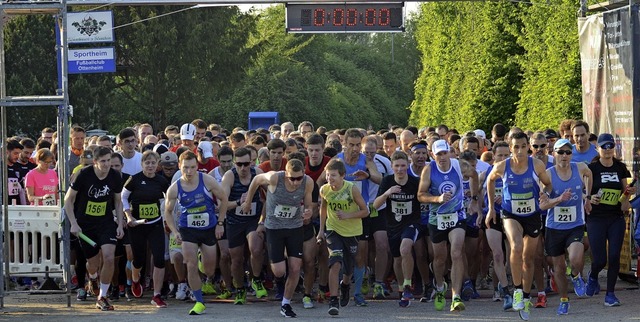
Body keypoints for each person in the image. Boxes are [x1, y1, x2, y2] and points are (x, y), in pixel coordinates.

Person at [486, 132, 552, 321]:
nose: (520, 150)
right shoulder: (502, 166)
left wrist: (545, 194)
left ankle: (525, 294)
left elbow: (548, 184)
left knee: (529, 259)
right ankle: (516, 290)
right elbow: (490, 181)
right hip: (510, 213)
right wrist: (491, 208)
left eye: (523, 146)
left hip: (532, 215)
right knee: (515, 245)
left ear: (528, 147)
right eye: (516, 147)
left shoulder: (537, 165)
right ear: (510, 147)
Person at [241, 159, 314, 318]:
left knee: (295, 268)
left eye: (299, 178)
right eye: (292, 178)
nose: (296, 183)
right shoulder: (274, 178)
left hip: (295, 226)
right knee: (279, 271)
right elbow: (256, 180)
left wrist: (308, 212)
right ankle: (280, 279)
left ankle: (285, 304)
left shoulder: (307, 182)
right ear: (285, 174)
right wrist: (248, 201)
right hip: (274, 227)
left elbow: (308, 204)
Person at [163, 151, 228, 315]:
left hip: (208, 229)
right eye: (185, 168)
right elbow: (168, 213)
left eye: (192, 167)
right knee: (190, 265)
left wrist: (220, 223)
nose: (189, 171)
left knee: (209, 270)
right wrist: (175, 231)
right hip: (188, 230)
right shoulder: (175, 188)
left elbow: (223, 198)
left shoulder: (207, 180)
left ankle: (202, 262)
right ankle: (199, 301)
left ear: (197, 166)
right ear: (180, 166)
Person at [418, 140, 479, 312]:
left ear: (450, 152)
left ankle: (456, 296)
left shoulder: (459, 165)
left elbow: (474, 176)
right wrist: (436, 199)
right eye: (439, 154)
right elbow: (420, 195)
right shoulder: (428, 170)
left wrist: (474, 200)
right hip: (437, 218)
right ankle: (439, 286)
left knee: (457, 252)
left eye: (445, 153)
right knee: (439, 259)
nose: (442, 157)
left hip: (457, 215)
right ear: (433, 155)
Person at [64, 146, 125, 311]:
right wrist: (74, 223)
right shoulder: (84, 175)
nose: (107, 165)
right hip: (85, 224)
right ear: (95, 162)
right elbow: (68, 200)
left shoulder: (115, 176)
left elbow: (118, 202)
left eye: (109, 161)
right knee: (92, 263)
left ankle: (102, 296)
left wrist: (120, 224)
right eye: (103, 161)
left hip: (105, 223)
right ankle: (92, 278)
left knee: (109, 256)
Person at [539, 139, 592, 315]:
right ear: (554, 153)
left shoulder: (580, 167)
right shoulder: (548, 175)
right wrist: (559, 199)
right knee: (559, 267)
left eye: (568, 152)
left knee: (576, 258)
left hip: (575, 224)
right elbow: (543, 206)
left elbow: (589, 175)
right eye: (560, 152)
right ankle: (564, 300)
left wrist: (588, 197)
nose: (564, 156)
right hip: (554, 227)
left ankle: (576, 275)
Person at [585, 133, 633, 307]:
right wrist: (590, 199)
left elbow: (624, 199)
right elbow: (585, 194)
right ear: (597, 148)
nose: (607, 150)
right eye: (604, 146)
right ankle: (593, 276)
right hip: (596, 218)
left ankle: (610, 294)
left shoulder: (621, 168)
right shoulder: (592, 168)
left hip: (615, 217)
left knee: (614, 257)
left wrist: (628, 193)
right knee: (599, 260)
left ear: (614, 148)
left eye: (610, 146)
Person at [317, 158, 368, 316]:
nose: (329, 178)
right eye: (327, 175)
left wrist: (348, 215)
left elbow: (365, 211)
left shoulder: (351, 189)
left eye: (333, 175)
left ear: (342, 176)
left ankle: (345, 285)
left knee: (348, 268)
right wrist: (321, 230)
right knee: (335, 262)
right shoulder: (325, 190)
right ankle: (333, 299)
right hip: (333, 230)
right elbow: (323, 208)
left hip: (352, 231)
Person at [373, 151, 422, 308]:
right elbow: (375, 205)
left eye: (403, 166)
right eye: (396, 166)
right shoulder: (387, 181)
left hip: (411, 222)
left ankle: (408, 284)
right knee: (397, 258)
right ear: (392, 167)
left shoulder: (415, 182)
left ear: (407, 166)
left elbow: (424, 197)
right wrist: (388, 193)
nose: (400, 169)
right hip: (393, 224)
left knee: (405, 248)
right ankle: (402, 289)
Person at [121, 151, 170, 308]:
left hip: (155, 224)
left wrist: (167, 218)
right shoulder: (134, 180)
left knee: (159, 259)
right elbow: (123, 197)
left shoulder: (161, 181)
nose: (150, 166)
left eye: (153, 163)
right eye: (147, 163)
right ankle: (135, 280)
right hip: (137, 225)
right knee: (139, 259)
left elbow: (169, 200)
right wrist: (129, 216)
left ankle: (156, 295)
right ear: (142, 164)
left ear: (157, 165)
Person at [220, 147, 266, 304]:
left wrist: (262, 220)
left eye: (246, 164)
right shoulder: (229, 176)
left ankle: (257, 279)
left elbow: (271, 195)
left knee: (256, 248)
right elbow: (222, 204)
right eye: (239, 164)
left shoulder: (258, 173)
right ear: (234, 163)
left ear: (251, 163)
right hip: (234, 222)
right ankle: (240, 289)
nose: (243, 168)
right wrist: (240, 202)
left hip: (253, 220)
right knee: (236, 259)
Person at [480, 141, 513, 310]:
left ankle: (503, 283)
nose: (503, 158)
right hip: (492, 217)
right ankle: (503, 291)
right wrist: (481, 211)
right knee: (497, 255)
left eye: (506, 155)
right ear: (493, 157)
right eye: (500, 155)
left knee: (512, 256)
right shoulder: (486, 173)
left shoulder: (515, 171)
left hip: (511, 217)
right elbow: (478, 194)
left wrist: (507, 199)